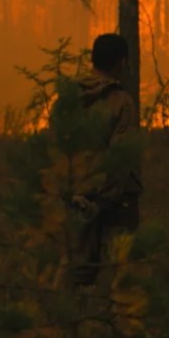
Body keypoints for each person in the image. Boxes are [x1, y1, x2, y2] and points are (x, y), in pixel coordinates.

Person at [68, 33, 143, 286]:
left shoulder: (69, 98)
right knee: (120, 273)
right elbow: (121, 156)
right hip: (114, 201)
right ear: (122, 62)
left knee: (76, 270)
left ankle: (73, 317)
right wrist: (106, 199)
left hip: (74, 192)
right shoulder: (121, 101)